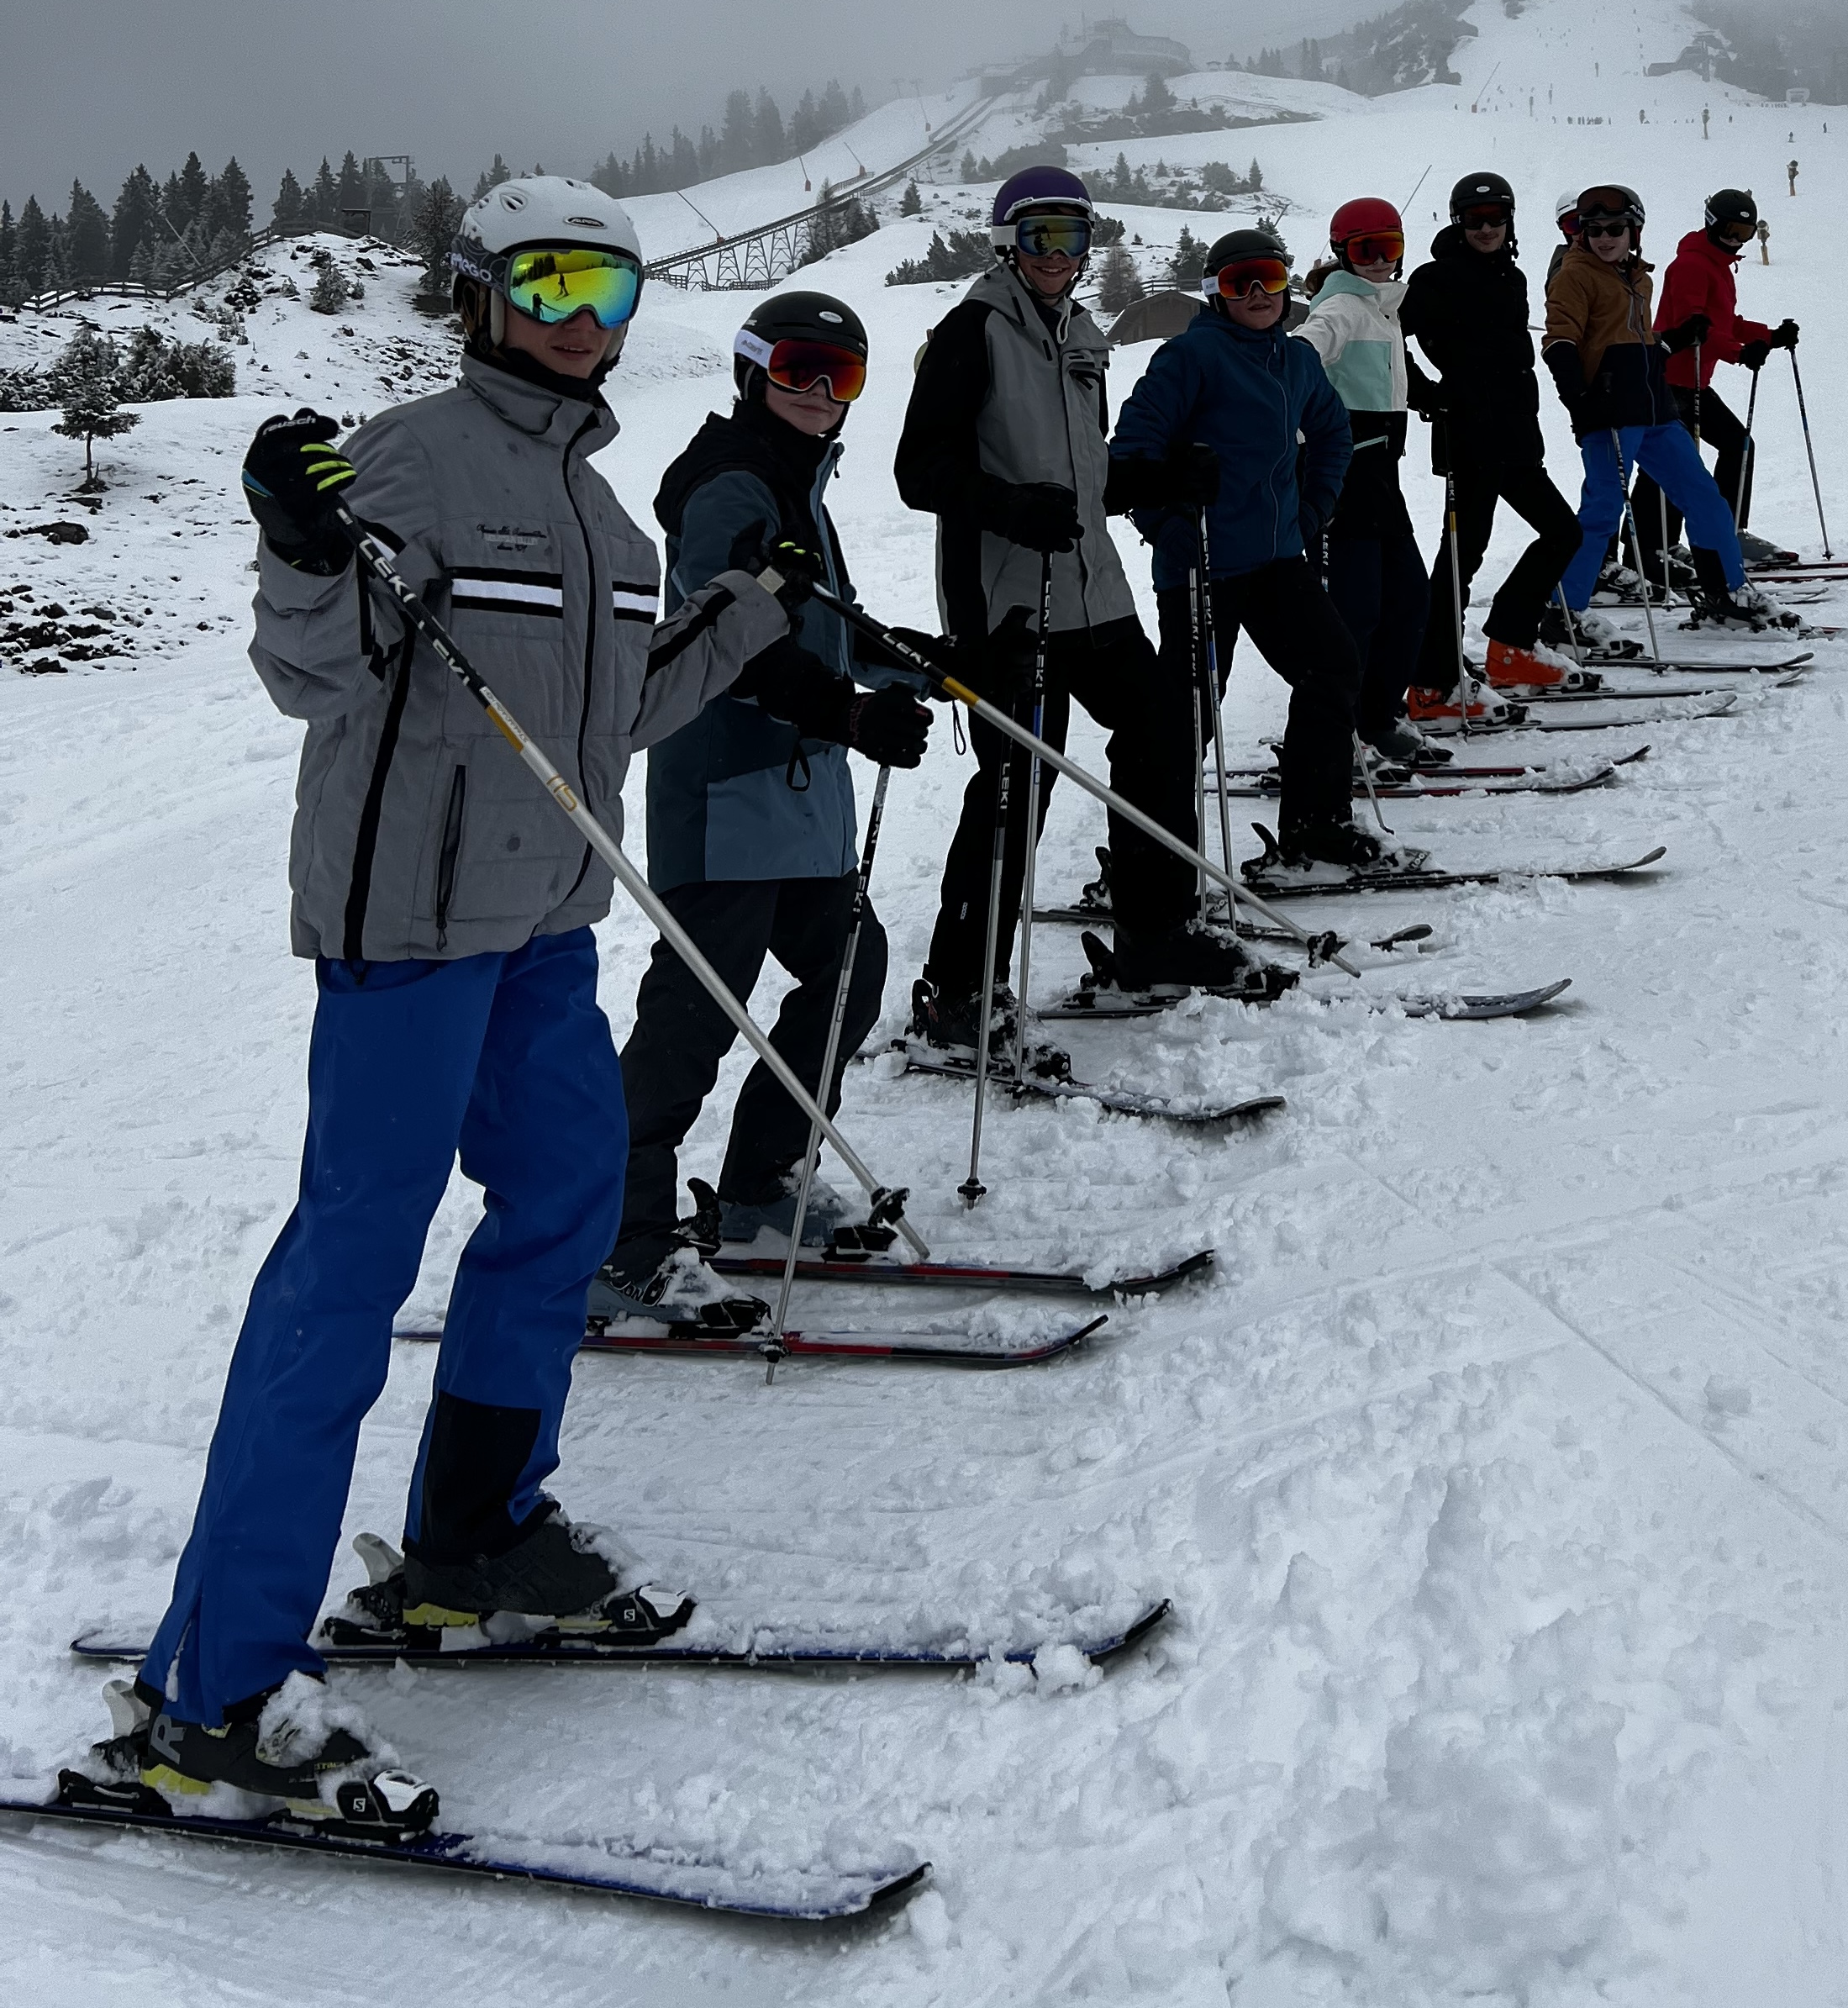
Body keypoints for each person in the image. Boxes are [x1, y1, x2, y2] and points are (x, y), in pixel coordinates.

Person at [72, 177, 805, 1831]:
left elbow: (613, 718)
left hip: (542, 936)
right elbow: (315, 669)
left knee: (560, 1202)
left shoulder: (614, 530)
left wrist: (751, 611)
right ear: (481, 294)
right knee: (344, 1279)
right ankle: (219, 1691)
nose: (577, 314)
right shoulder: (408, 458)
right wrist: (295, 541)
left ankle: (474, 1533)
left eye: (607, 289)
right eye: (546, 281)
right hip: (407, 936)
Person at [592, 291, 932, 1319]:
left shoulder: (793, 483)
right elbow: (723, 637)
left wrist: (927, 665)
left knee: (849, 971)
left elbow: (823, 624)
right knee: (692, 1022)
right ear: (752, 373)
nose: (823, 393)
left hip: (800, 797)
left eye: (845, 376)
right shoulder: (731, 486)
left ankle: (756, 1187)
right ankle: (621, 1237)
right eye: (799, 369)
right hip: (729, 793)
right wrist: (848, 712)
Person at [896, 166, 1230, 1049]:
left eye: (1073, 238)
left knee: (1162, 734)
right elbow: (918, 471)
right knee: (1018, 782)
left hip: (1096, 590)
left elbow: (1089, 475)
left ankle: (1153, 934)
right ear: (1008, 243)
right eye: (1040, 237)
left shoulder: (1080, 335)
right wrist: (1006, 504)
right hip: (1011, 601)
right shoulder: (971, 332)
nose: (1058, 255)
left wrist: (1158, 477)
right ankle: (957, 990)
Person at [1109, 229, 1392, 872]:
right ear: (1216, 293)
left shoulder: (1294, 359)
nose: (1260, 293)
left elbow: (1332, 433)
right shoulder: (1189, 358)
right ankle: (1149, 871)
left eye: (1269, 276)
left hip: (1273, 560)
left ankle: (1313, 825)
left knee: (1332, 668)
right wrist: (1166, 524)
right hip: (1202, 564)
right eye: (1242, 283)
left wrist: (1313, 508)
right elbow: (1130, 452)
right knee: (1189, 714)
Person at [1540, 185, 1793, 647]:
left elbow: (1637, 343)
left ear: (1634, 231)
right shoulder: (1575, 276)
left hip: (1654, 405)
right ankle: (1564, 613)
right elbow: (1560, 341)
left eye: (1616, 229)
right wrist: (1579, 399)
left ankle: (1727, 594)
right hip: (1610, 412)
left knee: (1704, 498)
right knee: (1602, 511)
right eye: (1595, 230)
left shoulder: (1638, 277)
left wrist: (1674, 340)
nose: (1604, 237)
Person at [1398, 171, 1583, 698]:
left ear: (1509, 220)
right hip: (1470, 440)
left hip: (1518, 438)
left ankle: (1509, 644)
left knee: (1563, 533)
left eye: (1495, 218)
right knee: (1461, 558)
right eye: (1475, 219)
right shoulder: (1436, 279)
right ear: (1459, 221)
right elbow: (1390, 332)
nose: (1486, 228)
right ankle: (1430, 678)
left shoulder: (1513, 276)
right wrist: (1423, 392)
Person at [1296, 196, 1438, 762]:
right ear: (1342, 253)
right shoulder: (1341, 309)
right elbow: (1303, 351)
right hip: (1340, 479)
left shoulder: (1380, 308)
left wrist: (1432, 396)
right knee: (1353, 613)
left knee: (1409, 601)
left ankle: (1375, 716)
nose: (1380, 260)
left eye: (1390, 248)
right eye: (1365, 250)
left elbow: (1384, 374)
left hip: (1380, 477)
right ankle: (1334, 732)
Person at [1630, 187, 1798, 585]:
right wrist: (1740, 353)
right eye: (1729, 230)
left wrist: (1769, 336)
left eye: (1744, 232)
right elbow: (1697, 328)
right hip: (1669, 378)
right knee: (1671, 464)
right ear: (1711, 223)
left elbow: (1724, 322)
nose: (1736, 239)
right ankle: (1652, 549)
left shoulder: (1718, 265)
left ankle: (1728, 533)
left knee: (1737, 446)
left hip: (1693, 382)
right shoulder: (1691, 265)